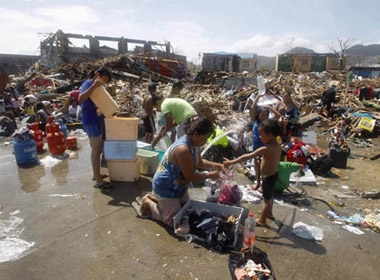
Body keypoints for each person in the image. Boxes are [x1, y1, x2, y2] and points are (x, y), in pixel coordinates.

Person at [132, 117, 225, 227]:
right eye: (205, 138)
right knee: (173, 222)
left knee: (187, 211)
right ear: (195, 134)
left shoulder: (194, 144)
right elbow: (190, 176)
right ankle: (148, 202)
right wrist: (211, 175)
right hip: (166, 188)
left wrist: (218, 166)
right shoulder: (183, 149)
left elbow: (199, 162)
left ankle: (159, 202)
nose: (205, 142)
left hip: (178, 186)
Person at [224, 118, 282, 228]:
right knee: (269, 197)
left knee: (266, 200)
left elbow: (247, 156)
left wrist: (231, 161)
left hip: (268, 178)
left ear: (270, 135)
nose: (259, 136)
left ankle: (262, 220)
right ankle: (269, 213)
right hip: (273, 175)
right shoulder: (277, 144)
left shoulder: (266, 148)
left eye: (261, 134)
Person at [78, 67, 112, 189]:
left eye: (105, 81)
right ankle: (98, 181)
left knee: (96, 147)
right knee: (96, 149)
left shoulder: (98, 87)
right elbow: (80, 99)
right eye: (103, 79)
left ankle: (96, 174)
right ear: (97, 75)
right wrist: (94, 86)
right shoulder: (88, 83)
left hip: (97, 119)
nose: (104, 83)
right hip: (90, 120)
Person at [250, 93, 281, 190]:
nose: (263, 117)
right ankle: (258, 183)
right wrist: (258, 97)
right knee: (256, 166)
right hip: (256, 146)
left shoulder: (268, 124)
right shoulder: (254, 122)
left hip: (266, 148)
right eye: (261, 115)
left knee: (264, 167)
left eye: (265, 115)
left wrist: (269, 107)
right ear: (258, 115)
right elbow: (252, 108)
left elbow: (278, 115)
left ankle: (263, 185)